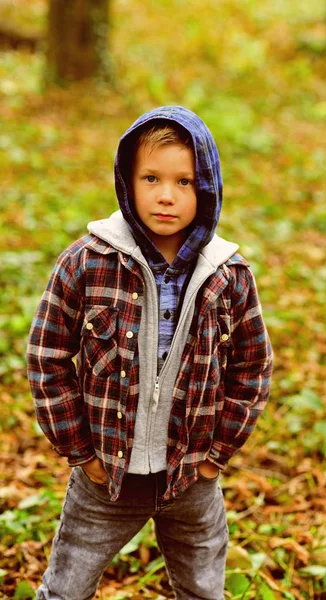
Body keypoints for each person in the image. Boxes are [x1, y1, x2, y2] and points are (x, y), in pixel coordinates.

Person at [27, 105, 273, 600]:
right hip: (106, 478)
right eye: (152, 178)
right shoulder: (86, 263)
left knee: (204, 590)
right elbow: (47, 356)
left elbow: (252, 365)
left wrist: (217, 454)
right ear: (126, 181)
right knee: (65, 588)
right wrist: (79, 450)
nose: (166, 195)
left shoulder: (228, 275)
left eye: (185, 182)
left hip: (191, 478)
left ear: (206, 188)